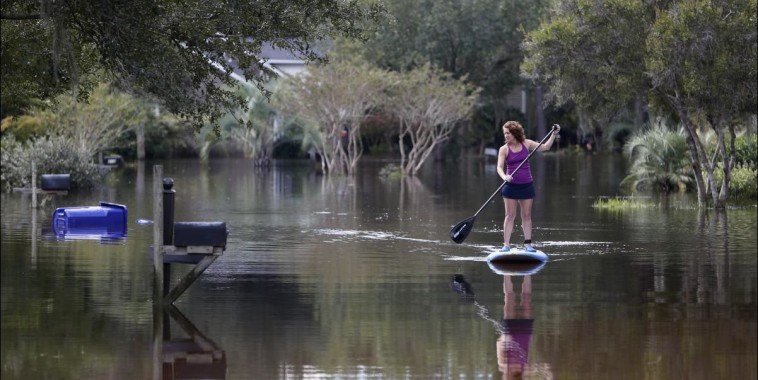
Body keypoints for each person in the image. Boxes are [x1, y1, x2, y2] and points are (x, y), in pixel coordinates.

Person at [496, 121, 560, 252]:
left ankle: (528, 244)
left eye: (508, 133)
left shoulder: (527, 143)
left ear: (515, 133)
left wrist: (554, 134)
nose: (506, 136)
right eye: (505, 133)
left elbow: (546, 147)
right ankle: (506, 245)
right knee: (510, 216)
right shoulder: (504, 149)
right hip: (510, 186)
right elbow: (499, 167)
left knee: (526, 215)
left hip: (526, 185)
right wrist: (504, 177)